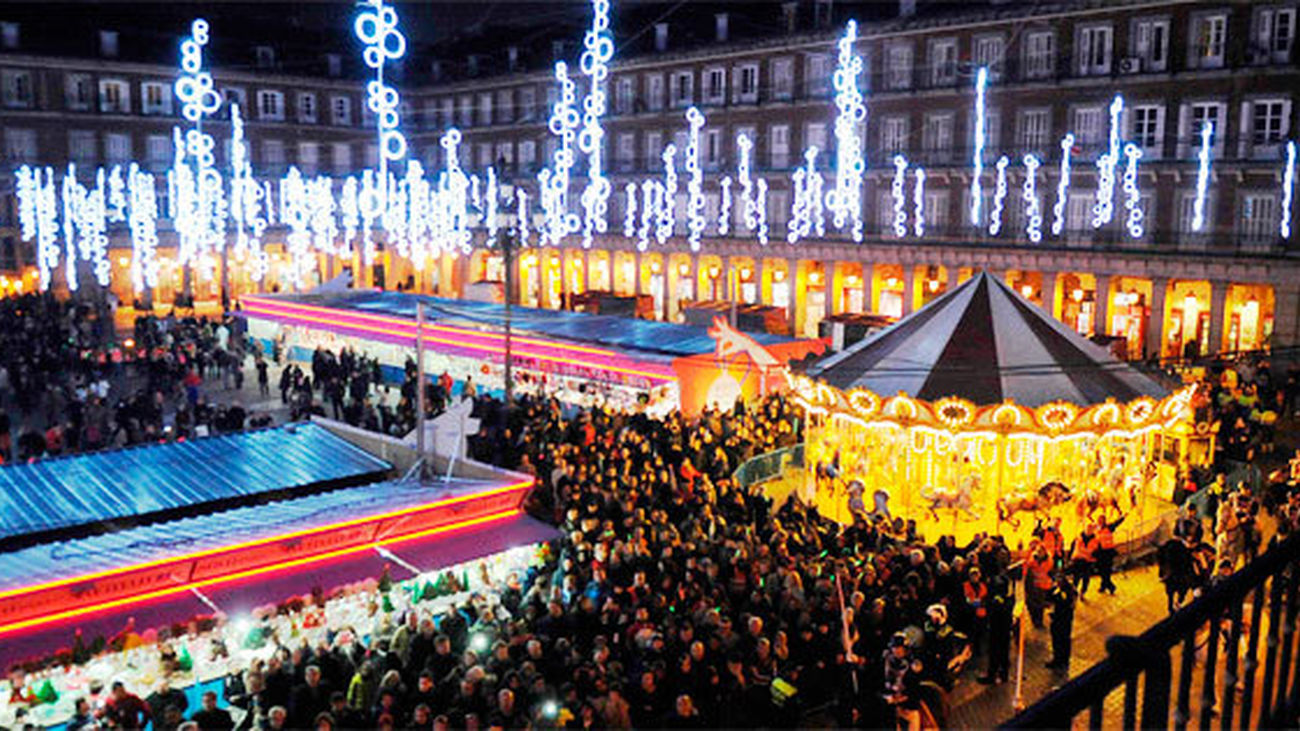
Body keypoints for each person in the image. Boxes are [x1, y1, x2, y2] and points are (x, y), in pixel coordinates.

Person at [1046, 575, 1078, 671]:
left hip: (1062, 620)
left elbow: (1062, 604)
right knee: (1060, 640)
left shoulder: (1065, 593)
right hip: (1061, 620)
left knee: (1061, 640)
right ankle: (1060, 659)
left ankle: (1060, 660)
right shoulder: (1063, 590)